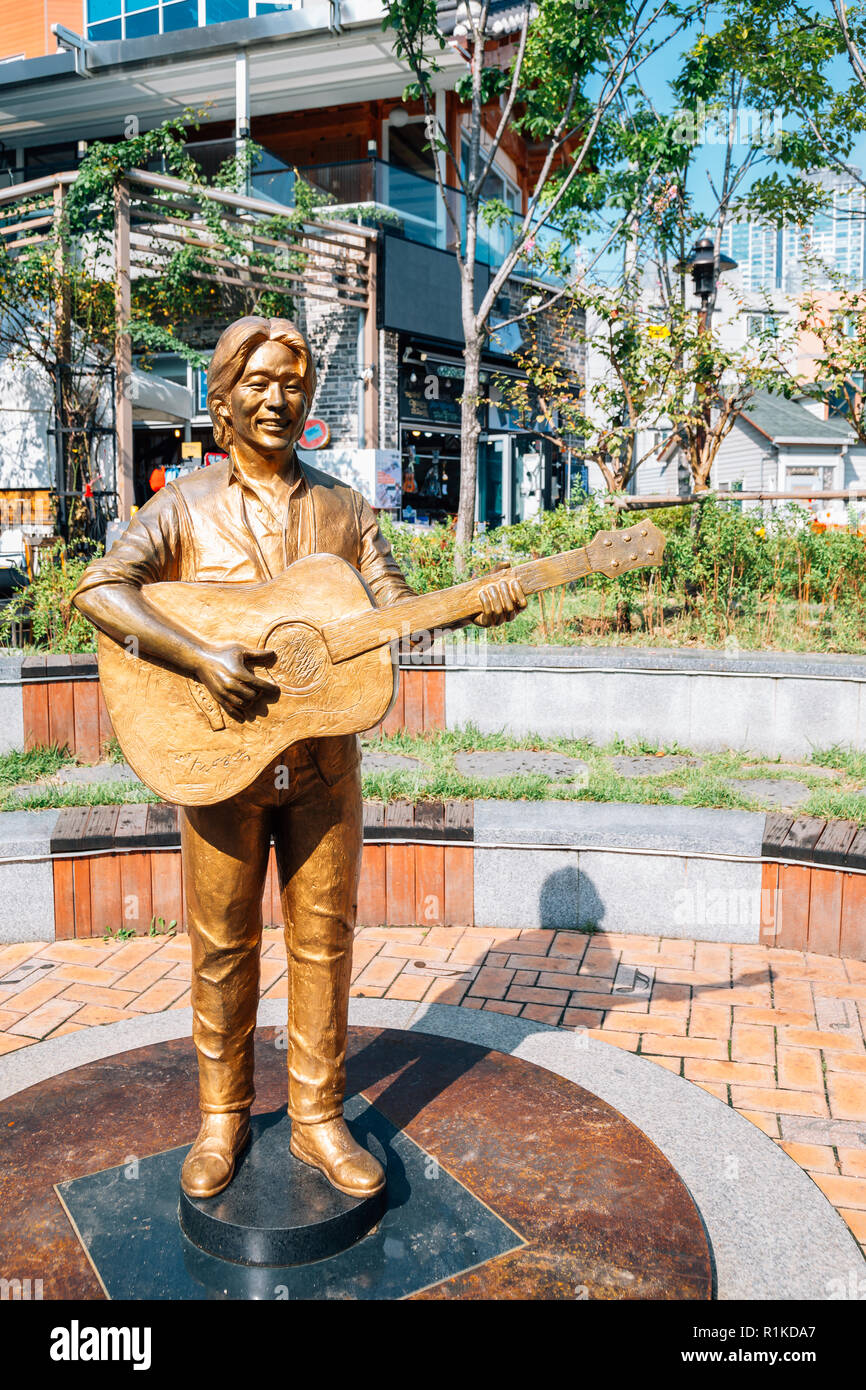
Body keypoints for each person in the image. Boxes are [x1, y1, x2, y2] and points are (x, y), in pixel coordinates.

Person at [73, 316, 526, 1200]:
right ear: (224, 398)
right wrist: (199, 656)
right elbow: (98, 588)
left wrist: (471, 604)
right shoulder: (181, 508)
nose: (277, 399)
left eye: (293, 382)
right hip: (217, 761)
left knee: (325, 943)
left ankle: (319, 1117)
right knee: (221, 946)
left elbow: (392, 609)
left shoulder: (345, 509)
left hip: (323, 765)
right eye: (259, 382)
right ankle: (222, 1119)